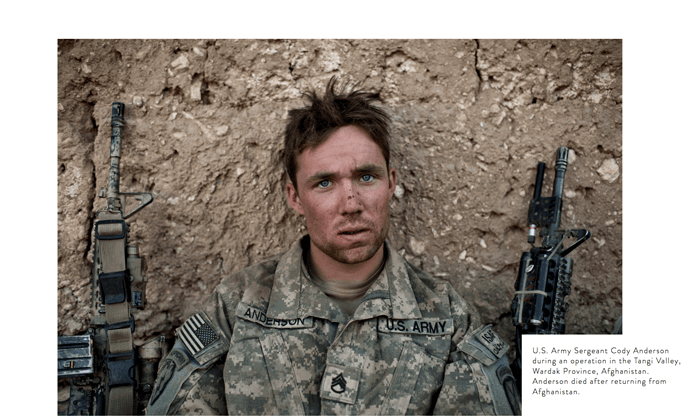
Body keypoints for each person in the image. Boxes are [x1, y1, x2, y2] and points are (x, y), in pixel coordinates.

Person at [146, 78, 521, 415]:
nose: (351, 203)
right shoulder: (237, 307)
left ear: (390, 183)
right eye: (324, 183)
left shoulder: (448, 320)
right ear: (295, 197)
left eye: (366, 176)